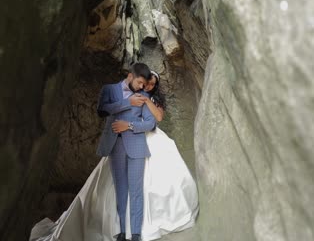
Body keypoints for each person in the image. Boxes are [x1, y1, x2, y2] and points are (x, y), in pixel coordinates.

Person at [30, 67, 199, 241]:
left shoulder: (152, 99)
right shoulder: (125, 93)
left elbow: (158, 118)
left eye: (152, 85)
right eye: (147, 82)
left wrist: (147, 102)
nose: (148, 86)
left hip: (150, 140)